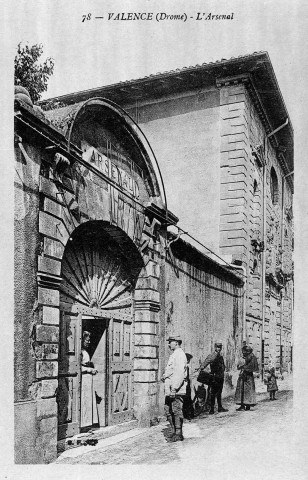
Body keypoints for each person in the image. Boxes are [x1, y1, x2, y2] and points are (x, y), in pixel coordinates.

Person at [161, 335, 187, 442]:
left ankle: (178, 433)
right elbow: (171, 371)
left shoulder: (180, 355)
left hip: (176, 389)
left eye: (170, 342)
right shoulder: (174, 355)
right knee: (168, 409)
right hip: (170, 389)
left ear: (176, 343)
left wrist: (174, 388)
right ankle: (173, 431)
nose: (168, 344)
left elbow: (179, 373)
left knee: (176, 410)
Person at [200, 342, 228, 414]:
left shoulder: (221, 357)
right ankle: (211, 409)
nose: (219, 349)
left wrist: (222, 371)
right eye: (217, 347)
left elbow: (223, 366)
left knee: (219, 392)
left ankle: (220, 407)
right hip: (214, 377)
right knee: (213, 393)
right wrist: (201, 368)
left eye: (220, 347)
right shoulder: (211, 356)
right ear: (215, 347)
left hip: (220, 377)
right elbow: (205, 362)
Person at [80, 331, 98, 428]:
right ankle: (84, 424)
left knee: (88, 400)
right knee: (84, 400)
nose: (89, 342)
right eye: (87, 340)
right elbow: (78, 367)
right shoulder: (80, 352)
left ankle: (88, 424)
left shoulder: (85, 351)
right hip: (84, 379)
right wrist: (89, 370)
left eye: (89, 340)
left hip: (88, 379)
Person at [235, 345, 259, 411]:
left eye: (244, 352)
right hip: (245, 376)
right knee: (243, 390)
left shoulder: (251, 358)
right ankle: (244, 405)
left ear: (247, 351)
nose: (243, 353)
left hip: (247, 376)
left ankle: (246, 405)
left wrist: (243, 367)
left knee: (246, 391)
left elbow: (252, 367)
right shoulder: (249, 357)